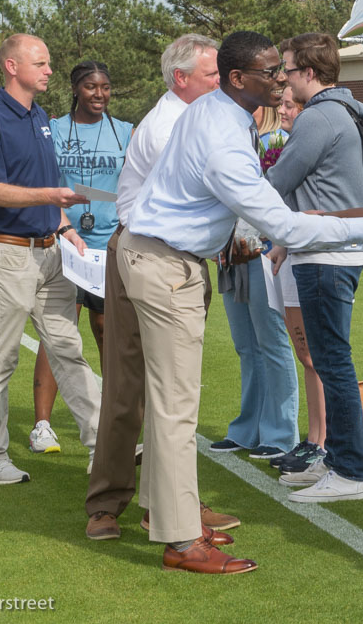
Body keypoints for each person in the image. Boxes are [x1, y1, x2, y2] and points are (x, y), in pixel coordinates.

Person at [119, 30, 363, 573]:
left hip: (162, 257)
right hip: (165, 264)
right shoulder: (222, 133)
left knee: (173, 403)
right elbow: (279, 221)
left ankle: (167, 513)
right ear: (239, 80)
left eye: (280, 70)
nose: (280, 79)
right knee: (176, 409)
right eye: (269, 71)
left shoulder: (220, 113)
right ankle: (180, 538)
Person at [84, 34, 240, 541]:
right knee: (132, 385)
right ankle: (108, 502)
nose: (221, 81)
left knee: (168, 389)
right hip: (146, 257)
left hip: (169, 258)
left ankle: (165, 504)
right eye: (212, 74)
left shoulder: (191, 117)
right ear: (181, 78)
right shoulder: (171, 125)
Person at [0, 34, 101, 484]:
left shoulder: (40, 117)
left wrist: (62, 225)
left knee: (68, 350)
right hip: (7, 255)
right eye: (40, 63)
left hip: (50, 254)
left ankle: (105, 446)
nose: (48, 70)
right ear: (11, 66)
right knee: (0, 358)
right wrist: (48, 196)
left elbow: (46, 181)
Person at [267, 33, 363, 503]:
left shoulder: (319, 117)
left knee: (333, 363)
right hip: (336, 249)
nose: (283, 80)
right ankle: (336, 461)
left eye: (288, 70)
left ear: (310, 73)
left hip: (326, 254)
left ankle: (349, 471)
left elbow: (277, 180)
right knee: (332, 362)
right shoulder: (348, 110)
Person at [29, 61, 132, 455]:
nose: (99, 94)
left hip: (108, 246)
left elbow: (131, 186)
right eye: (91, 87)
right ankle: (42, 425)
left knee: (108, 329)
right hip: (64, 242)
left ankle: (108, 418)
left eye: (105, 87)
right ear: (76, 88)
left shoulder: (124, 132)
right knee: (58, 332)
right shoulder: (53, 130)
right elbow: (44, 183)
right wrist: (62, 223)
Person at [208, 88, 299, 461]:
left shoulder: (280, 142)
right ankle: (248, 428)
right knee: (246, 345)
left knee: (272, 342)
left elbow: (282, 199)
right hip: (229, 251)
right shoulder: (227, 139)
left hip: (263, 252)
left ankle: (280, 433)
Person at [266, 85, 327, 476]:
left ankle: (322, 442)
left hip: (311, 255)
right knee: (306, 354)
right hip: (287, 253)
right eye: (282, 104)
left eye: (290, 104)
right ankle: (313, 438)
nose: (282, 109)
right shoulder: (282, 145)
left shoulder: (312, 147)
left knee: (317, 355)